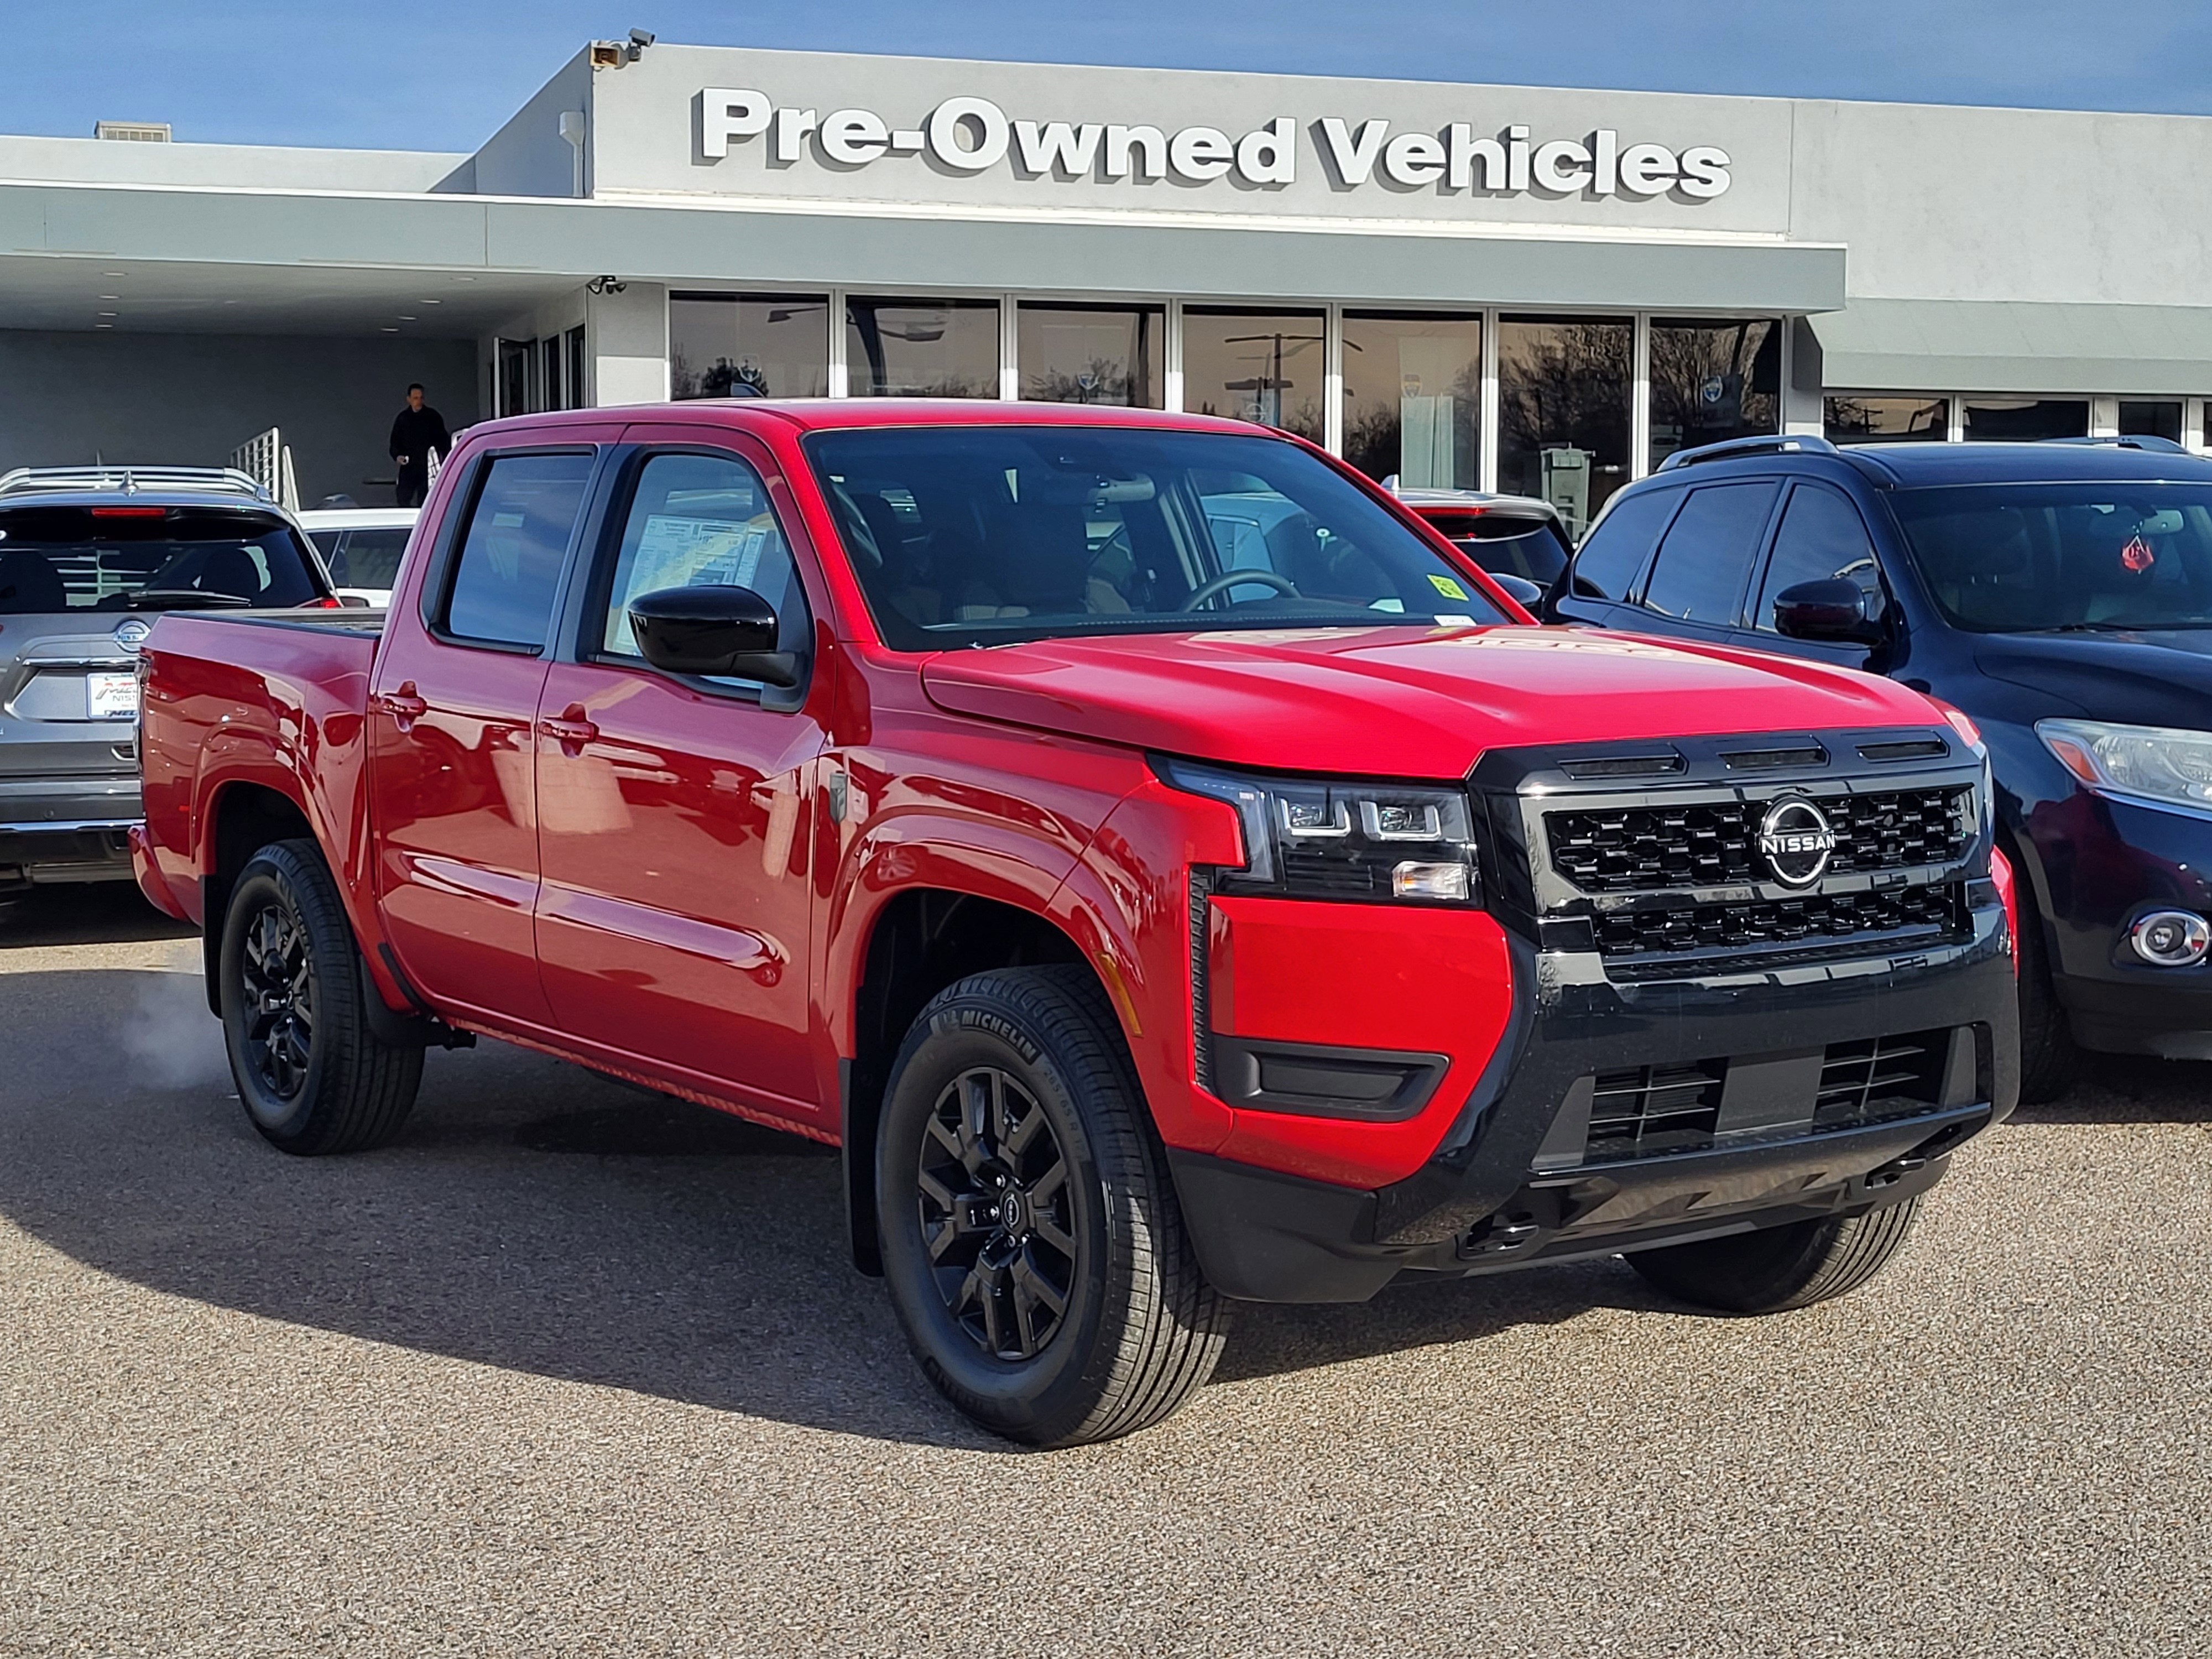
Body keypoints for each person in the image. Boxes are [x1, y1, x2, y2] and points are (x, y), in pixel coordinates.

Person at [387, 384, 451, 508]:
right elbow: (395, 442)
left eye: (421, 398)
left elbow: (443, 440)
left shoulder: (433, 417)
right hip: (409, 466)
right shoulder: (403, 419)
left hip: (428, 466)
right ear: (409, 400)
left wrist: (444, 460)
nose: (419, 401)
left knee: (427, 501)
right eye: (415, 398)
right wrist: (398, 456)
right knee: (403, 498)